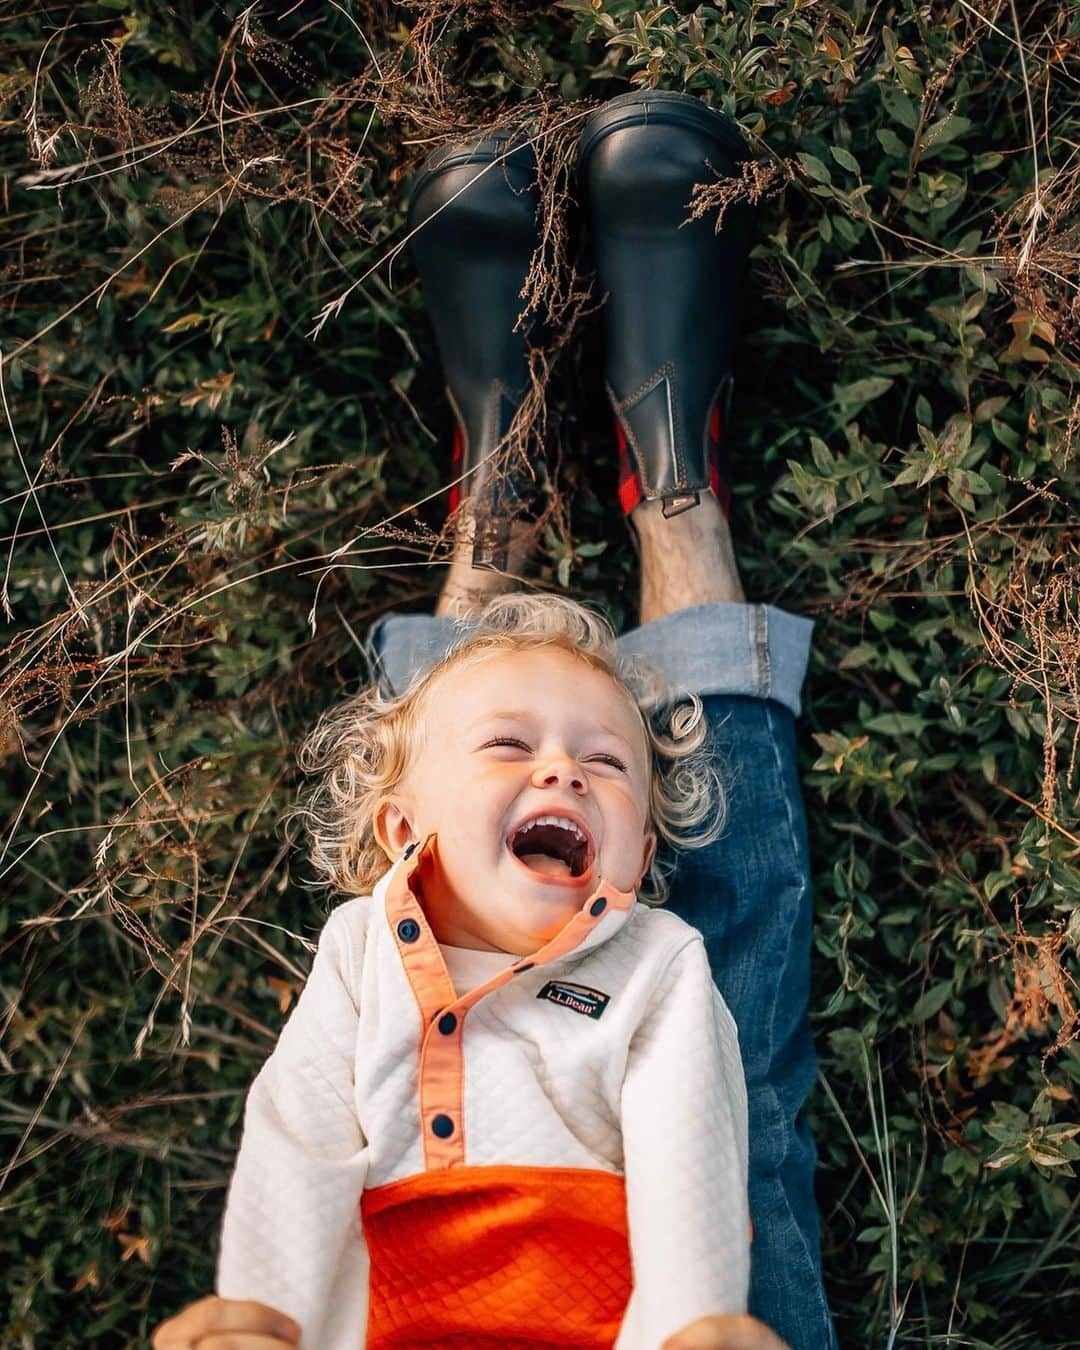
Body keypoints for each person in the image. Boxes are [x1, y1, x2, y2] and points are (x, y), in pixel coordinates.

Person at [152, 92, 837, 1350]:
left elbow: (311, 1135)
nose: (566, 778)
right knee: (750, 1082)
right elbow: (304, 1129)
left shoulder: (415, 945)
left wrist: (269, 1317)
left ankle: (499, 503)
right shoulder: (638, 952)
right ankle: (669, 488)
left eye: (597, 771)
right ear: (394, 820)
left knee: (491, 730)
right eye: (531, 758)